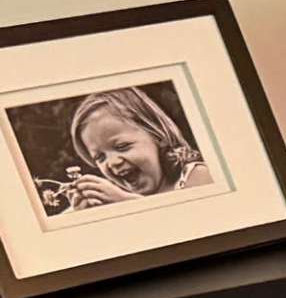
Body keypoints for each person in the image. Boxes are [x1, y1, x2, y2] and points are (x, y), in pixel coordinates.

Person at [37, 87, 208, 215]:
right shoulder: (113, 200)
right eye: (100, 157)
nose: (112, 163)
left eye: (122, 147)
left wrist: (127, 205)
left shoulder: (197, 176)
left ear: (158, 136)